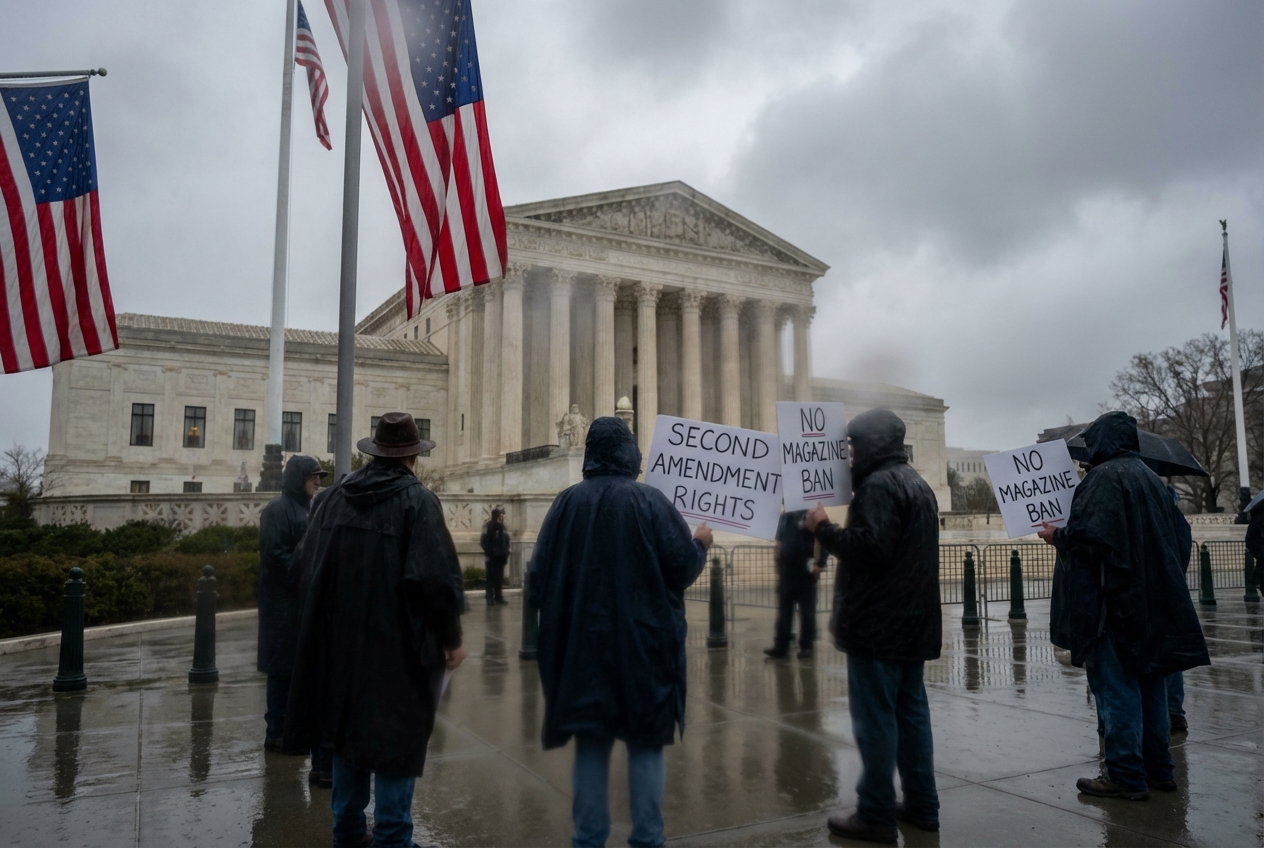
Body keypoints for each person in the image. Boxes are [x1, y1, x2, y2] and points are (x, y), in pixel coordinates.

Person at [283, 413, 467, 848]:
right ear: (412, 457)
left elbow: (302, 568)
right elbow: (437, 582)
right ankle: (390, 838)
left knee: (348, 740)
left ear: (374, 452)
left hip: (342, 650)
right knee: (396, 750)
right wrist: (452, 641)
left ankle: (347, 835)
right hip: (398, 654)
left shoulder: (332, 499)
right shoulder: (419, 502)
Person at [529, 416, 713, 848]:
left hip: (582, 649)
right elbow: (681, 568)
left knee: (591, 742)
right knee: (646, 742)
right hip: (644, 646)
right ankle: (648, 839)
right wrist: (701, 544)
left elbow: (537, 577)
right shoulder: (651, 501)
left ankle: (587, 839)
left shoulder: (565, 503)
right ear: (629, 452)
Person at [1038, 411, 1210, 801]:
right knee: (1151, 686)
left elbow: (1092, 539)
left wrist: (1057, 538)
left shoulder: (1103, 479)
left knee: (1117, 690)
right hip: (1153, 602)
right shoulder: (1151, 480)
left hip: (1113, 606)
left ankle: (1126, 774)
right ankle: (1159, 769)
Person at [804, 407, 942, 845]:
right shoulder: (918, 484)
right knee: (912, 716)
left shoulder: (879, 486)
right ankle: (922, 805)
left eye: (853, 445)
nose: (849, 454)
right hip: (912, 625)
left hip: (878, 627)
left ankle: (876, 813)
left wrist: (824, 529)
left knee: (876, 721)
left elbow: (871, 548)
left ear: (871, 445)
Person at [257, 454, 333, 782]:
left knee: (295, 669)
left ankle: (288, 730)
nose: (318, 481)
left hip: (299, 603)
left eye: (320, 476)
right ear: (298, 478)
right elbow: (277, 557)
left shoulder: (309, 508)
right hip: (281, 606)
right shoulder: (276, 510)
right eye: (312, 476)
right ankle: (276, 731)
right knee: (281, 670)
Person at [764, 509, 828, 660]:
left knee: (807, 611)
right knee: (784, 611)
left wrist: (820, 563)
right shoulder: (785, 517)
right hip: (787, 571)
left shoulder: (812, 513)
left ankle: (807, 645)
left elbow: (824, 538)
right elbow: (779, 538)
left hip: (806, 570)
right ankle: (781, 645)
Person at [1164, 486, 1193, 735]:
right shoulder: (1177, 518)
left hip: (1157, 592)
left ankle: (1171, 713)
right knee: (1171, 660)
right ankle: (1175, 713)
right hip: (1174, 592)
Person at [479, 507, 510, 605]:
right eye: (501, 514)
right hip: (492, 557)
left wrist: (505, 552)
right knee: (490, 579)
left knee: (499, 579)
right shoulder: (488, 526)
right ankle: (489, 598)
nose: (502, 516)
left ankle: (498, 597)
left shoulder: (503, 527)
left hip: (501, 557)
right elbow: (483, 541)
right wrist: (490, 552)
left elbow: (505, 541)